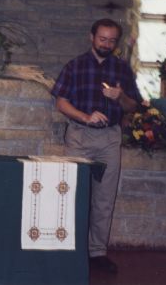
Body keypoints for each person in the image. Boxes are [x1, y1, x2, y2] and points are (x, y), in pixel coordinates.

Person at [51, 18, 141, 274]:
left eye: (112, 40)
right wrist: (84, 116)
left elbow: (133, 105)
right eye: (102, 39)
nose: (107, 44)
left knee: (104, 198)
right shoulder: (75, 66)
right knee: (74, 194)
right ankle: (72, 249)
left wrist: (120, 96)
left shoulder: (122, 69)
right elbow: (61, 102)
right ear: (91, 37)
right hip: (79, 136)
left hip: (109, 139)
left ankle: (97, 252)